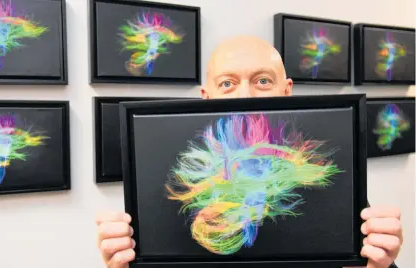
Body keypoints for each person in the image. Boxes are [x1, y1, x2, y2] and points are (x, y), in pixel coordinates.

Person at [95, 35, 403, 268]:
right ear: (207, 96)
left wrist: (379, 265)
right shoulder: (167, 179)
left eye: (263, 80)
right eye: (227, 83)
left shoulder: (329, 177)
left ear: (287, 90)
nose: (245, 95)